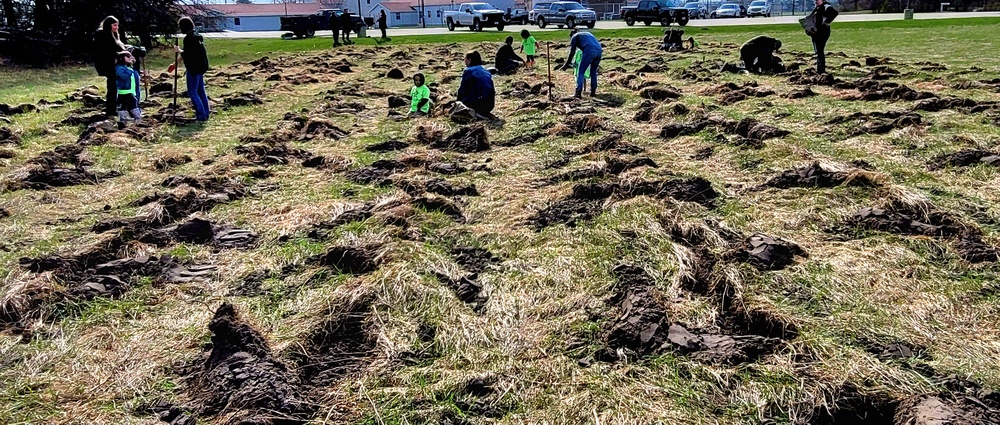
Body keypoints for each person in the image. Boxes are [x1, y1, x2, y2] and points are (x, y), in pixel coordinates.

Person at [173, 17, 211, 121]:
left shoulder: (189, 38)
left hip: (193, 68)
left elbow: (188, 54)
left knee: (193, 92)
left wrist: (179, 50)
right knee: (201, 91)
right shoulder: (198, 37)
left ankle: (201, 115)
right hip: (201, 67)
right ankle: (206, 113)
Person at [93, 16, 129, 118]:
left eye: (117, 25)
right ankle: (111, 111)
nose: (116, 27)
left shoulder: (114, 35)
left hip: (116, 65)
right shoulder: (102, 35)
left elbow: (118, 47)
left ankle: (117, 108)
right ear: (108, 25)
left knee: (117, 87)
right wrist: (120, 53)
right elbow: (106, 52)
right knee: (112, 87)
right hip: (108, 65)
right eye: (114, 25)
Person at [558, 29, 603, 98]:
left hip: (589, 51)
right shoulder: (586, 33)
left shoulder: (574, 37)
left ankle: (578, 93)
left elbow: (572, 52)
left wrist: (566, 64)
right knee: (593, 72)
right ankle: (593, 92)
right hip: (599, 50)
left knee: (581, 71)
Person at [456, 51, 496, 118]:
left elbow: (462, 90)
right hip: (490, 104)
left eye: (465, 60)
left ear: (470, 60)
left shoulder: (469, 71)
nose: (465, 63)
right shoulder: (485, 71)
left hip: (479, 105)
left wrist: (458, 103)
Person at [806, 0, 838, 74]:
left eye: (817, 0)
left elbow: (835, 13)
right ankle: (819, 69)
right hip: (816, 32)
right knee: (818, 51)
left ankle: (821, 70)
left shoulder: (826, 7)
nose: (815, 1)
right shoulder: (817, 8)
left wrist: (826, 22)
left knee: (820, 50)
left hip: (823, 32)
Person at [115, 51, 143, 123]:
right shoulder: (119, 68)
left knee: (124, 105)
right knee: (132, 104)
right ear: (121, 58)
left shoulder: (128, 68)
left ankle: (124, 120)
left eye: (131, 56)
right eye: (127, 56)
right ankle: (137, 118)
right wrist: (130, 72)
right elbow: (123, 76)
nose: (130, 58)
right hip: (125, 91)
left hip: (130, 91)